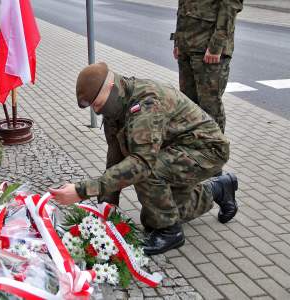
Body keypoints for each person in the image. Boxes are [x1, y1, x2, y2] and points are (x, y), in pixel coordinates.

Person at [49, 62, 238, 255]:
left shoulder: (146, 102)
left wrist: (82, 191)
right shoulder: (115, 104)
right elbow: (115, 156)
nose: (97, 111)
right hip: (176, 149)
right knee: (155, 216)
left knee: (148, 174)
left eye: (98, 104)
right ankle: (219, 189)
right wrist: (107, 205)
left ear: (110, 86)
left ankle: (170, 233)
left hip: (206, 149)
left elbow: (142, 163)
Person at [171, 0, 243, 133]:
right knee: (188, 105)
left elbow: (230, 7)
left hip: (208, 50)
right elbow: (183, 7)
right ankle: (195, 148)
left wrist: (216, 46)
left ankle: (216, 149)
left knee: (210, 107)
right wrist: (178, 41)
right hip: (187, 46)